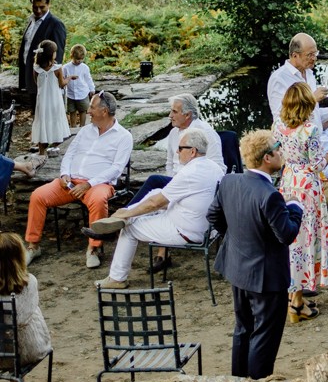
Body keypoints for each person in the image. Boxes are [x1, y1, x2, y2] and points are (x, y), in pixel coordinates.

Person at [207, 129, 304, 380]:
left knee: (243, 327)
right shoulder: (270, 195)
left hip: (237, 268)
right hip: (266, 277)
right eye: (278, 148)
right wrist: (295, 207)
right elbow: (287, 235)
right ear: (267, 158)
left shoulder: (229, 182)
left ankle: (238, 380)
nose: (281, 151)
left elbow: (214, 216)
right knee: (265, 332)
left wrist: (240, 238)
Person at [91, 129, 225, 287]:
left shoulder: (189, 173)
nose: (177, 151)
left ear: (193, 151)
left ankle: (116, 278)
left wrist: (129, 211)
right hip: (207, 227)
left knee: (130, 229)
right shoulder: (214, 167)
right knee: (156, 191)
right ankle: (122, 218)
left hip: (186, 230)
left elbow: (155, 203)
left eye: (181, 148)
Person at [25, 91, 132, 270]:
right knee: (38, 196)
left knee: (98, 200)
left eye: (92, 107)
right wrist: (64, 174)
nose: (88, 111)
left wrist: (88, 184)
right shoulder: (85, 131)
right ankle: (33, 246)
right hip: (70, 182)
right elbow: (70, 154)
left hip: (98, 184)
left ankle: (93, 249)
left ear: (104, 111)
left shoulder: (123, 136)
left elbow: (117, 168)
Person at [275, 80, 328, 323]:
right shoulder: (310, 129)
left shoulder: (279, 126)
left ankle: (292, 295)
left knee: (292, 240)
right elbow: (318, 164)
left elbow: (278, 154)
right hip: (308, 186)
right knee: (306, 239)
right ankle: (297, 302)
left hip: (288, 181)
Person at [126, 94, 223, 210]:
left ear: (187, 115)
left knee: (154, 181)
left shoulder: (207, 133)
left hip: (196, 184)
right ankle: (125, 215)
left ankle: (124, 214)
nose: (170, 116)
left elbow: (219, 168)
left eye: (174, 112)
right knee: (154, 193)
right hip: (176, 182)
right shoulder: (173, 133)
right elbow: (170, 163)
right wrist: (172, 185)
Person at [0, 231, 52, 380]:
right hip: (25, 352)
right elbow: (21, 319)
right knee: (32, 311)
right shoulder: (30, 282)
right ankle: (16, 376)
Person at [267, 33, 328, 128]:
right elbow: (281, 120)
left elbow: (312, 115)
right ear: (295, 55)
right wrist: (312, 99)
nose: (314, 58)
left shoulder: (309, 73)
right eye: (310, 55)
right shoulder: (279, 78)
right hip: (294, 141)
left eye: (315, 53)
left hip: (313, 139)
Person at [17, 0, 66, 103]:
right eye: (35, 7)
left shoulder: (56, 24)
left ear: (49, 4)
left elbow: (57, 55)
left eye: (42, 7)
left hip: (45, 78)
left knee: (45, 113)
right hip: (31, 75)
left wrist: (53, 79)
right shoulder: (31, 21)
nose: (38, 11)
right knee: (36, 111)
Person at [30, 39, 70, 156]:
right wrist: (69, 78)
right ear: (51, 54)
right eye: (55, 52)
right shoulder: (57, 68)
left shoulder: (36, 68)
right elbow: (61, 84)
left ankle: (41, 152)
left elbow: (37, 83)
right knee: (55, 120)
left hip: (42, 101)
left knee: (43, 121)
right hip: (55, 100)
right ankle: (54, 145)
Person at [61, 44, 95, 127]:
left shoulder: (85, 67)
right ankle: (73, 126)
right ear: (72, 56)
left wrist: (92, 89)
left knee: (83, 110)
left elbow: (88, 79)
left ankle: (82, 126)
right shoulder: (65, 67)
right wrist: (62, 91)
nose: (79, 61)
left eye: (81, 59)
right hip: (70, 94)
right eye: (77, 59)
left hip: (82, 93)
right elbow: (63, 79)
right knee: (72, 111)